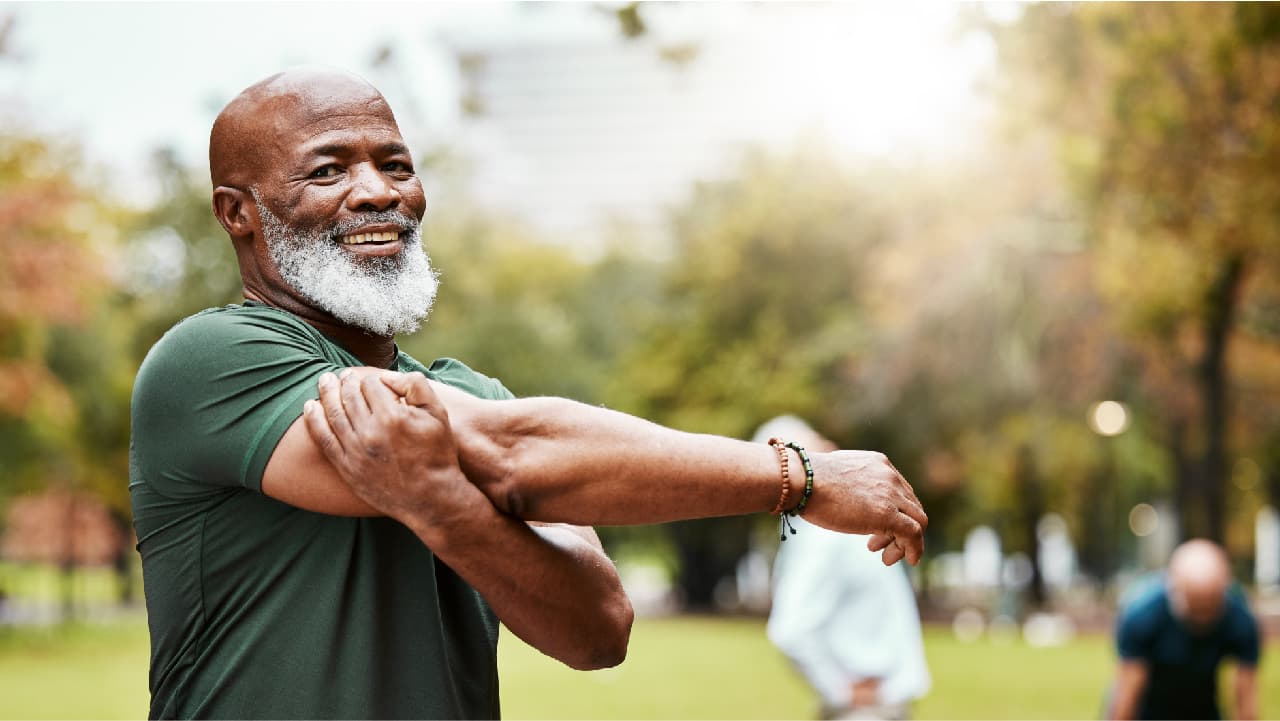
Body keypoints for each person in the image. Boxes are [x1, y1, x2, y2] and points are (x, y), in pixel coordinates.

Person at [129, 66, 928, 719]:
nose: (377, 192)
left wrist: (445, 508)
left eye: (395, 164)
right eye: (329, 169)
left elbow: (598, 627)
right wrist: (798, 476)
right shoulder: (209, 360)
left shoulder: (470, 392)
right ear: (239, 214)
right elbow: (513, 452)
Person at [760, 417, 930, 720]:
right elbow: (790, 631)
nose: (832, 449)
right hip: (866, 708)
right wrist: (840, 690)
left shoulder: (834, 531)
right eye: (814, 452)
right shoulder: (824, 536)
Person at [1109, 539, 1261, 720]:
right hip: (1148, 710)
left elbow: (1245, 697)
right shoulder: (1142, 616)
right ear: (1174, 590)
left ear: (1224, 589)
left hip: (1204, 709)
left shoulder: (1240, 620)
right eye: (1195, 607)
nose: (1203, 618)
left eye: (1210, 606)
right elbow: (1127, 693)